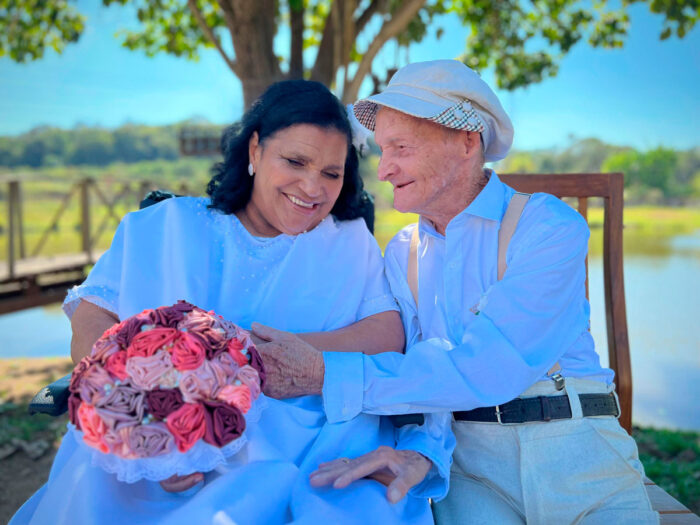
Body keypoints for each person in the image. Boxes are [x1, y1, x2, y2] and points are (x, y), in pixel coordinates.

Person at [11, 80, 451, 525]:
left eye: (331, 173)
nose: (312, 187)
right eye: (295, 161)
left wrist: (261, 358)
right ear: (255, 151)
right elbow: (93, 315)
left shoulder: (346, 241)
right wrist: (142, 418)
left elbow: (387, 333)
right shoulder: (163, 226)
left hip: (299, 441)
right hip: (156, 432)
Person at [253, 60, 659, 524]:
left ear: (467, 142)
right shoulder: (401, 253)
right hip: (469, 472)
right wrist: (421, 451)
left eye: (401, 147)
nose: (383, 170)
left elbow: (490, 366)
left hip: (577, 454)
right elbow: (427, 374)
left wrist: (327, 373)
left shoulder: (547, 226)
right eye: (382, 150)